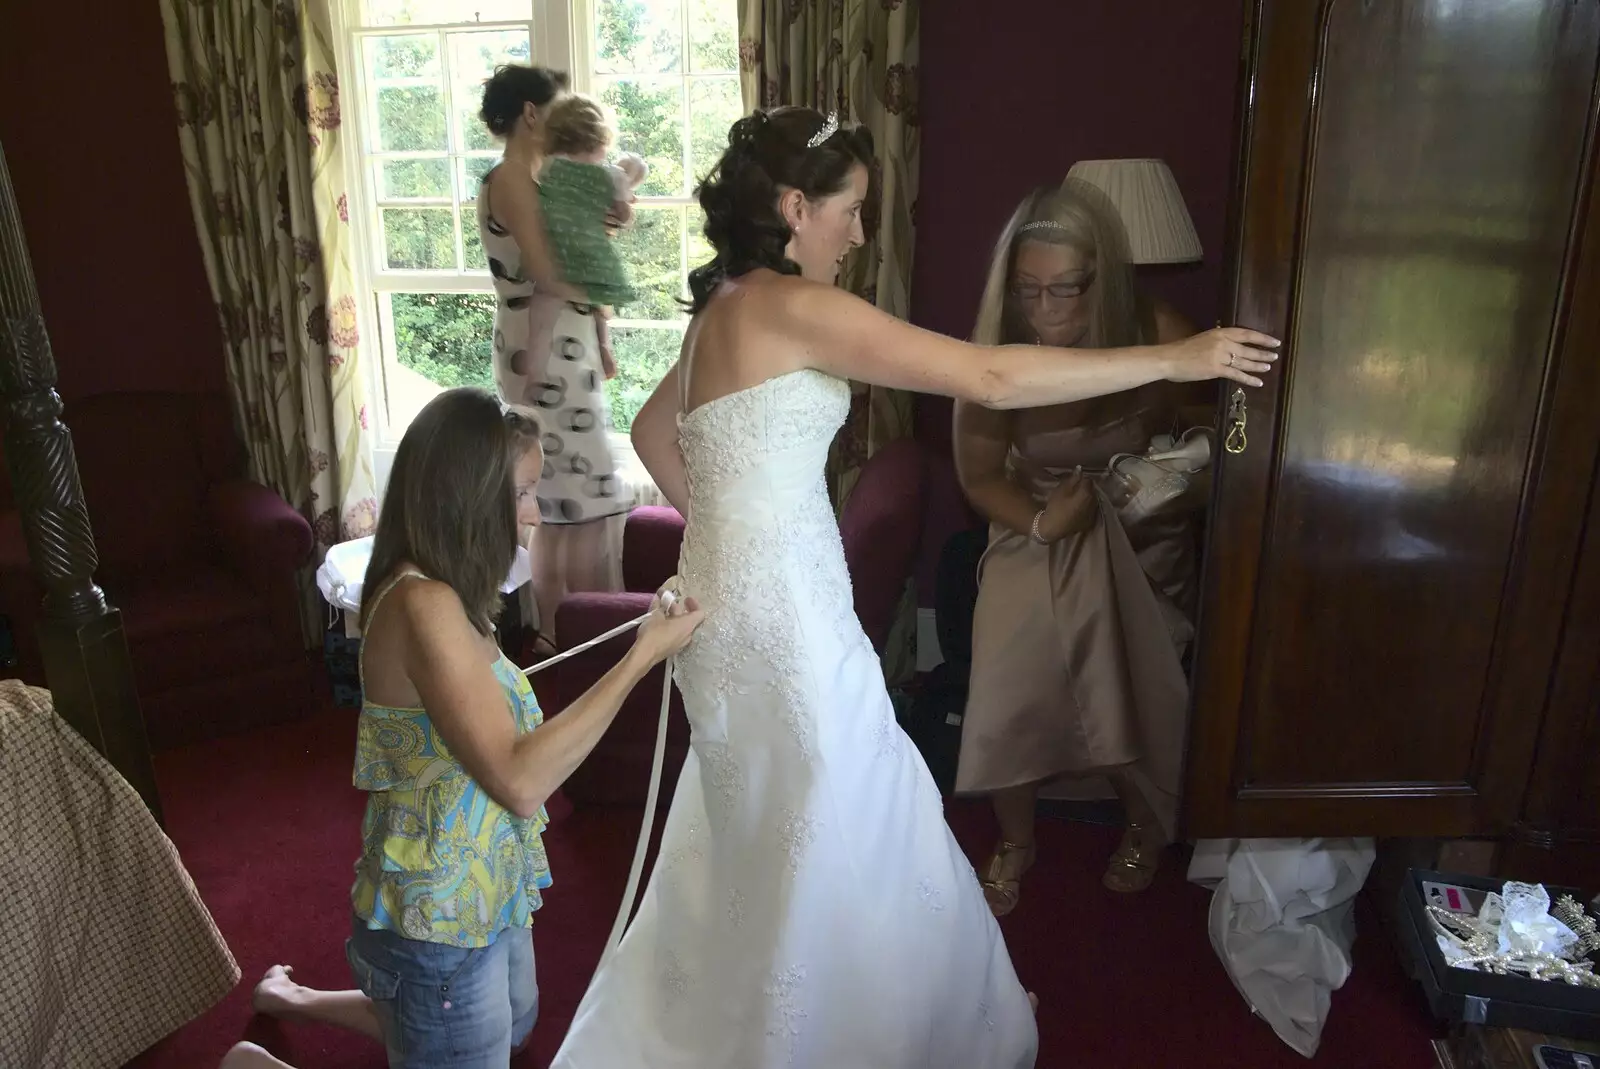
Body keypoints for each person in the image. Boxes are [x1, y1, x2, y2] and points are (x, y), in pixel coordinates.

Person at [550, 107, 1276, 1067]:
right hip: (790, 627)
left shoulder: (724, 305)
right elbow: (987, 373)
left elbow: (653, 436)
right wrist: (1179, 357)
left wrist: (734, 534)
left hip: (726, 618)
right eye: (848, 211)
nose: (859, 233)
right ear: (793, 206)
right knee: (840, 820)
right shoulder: (794, 306)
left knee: (768, 828)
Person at [250, 387, 702, 1068]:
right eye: (522, 493)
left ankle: (300, 999)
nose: (534, 514)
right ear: (469, 496)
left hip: (482, 888)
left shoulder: (449, 590)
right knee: (455, 1030)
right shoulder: (425, 602)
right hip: (439, 920)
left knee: (508, 1027)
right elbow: (521, 780)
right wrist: (643, 654)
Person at [952, 181, 1212, 913]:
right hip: (1034, 524)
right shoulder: (995, 354)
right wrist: (1039, 525)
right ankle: (1016, 836)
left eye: (1064, 289)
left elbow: (1216, 437)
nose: (1045, 310)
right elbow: (978, 476)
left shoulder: (1157, 329)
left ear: (1104, 279)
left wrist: (1174, 479)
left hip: (1139, 537)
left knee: (1118, 674)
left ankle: (1142, 815)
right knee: (1009, 665)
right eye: (1028, 291)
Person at [476, 64, 633, 657]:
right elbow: (549, 274)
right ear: (531, 113)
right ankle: (588, 635)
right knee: (577, 499)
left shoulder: (541, 181)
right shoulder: (511, 179)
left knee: (565, 502)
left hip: (564, 352)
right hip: (545, 358)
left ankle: (566, 634)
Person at [533, 92, 648, 377]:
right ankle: (604, 348)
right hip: (591, 253)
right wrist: (626, 207)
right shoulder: (610, 176)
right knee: (599, 304)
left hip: (556, 249)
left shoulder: (546, 169)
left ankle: (534, 363)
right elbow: (622, 216)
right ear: (598, 140)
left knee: (543, 307)